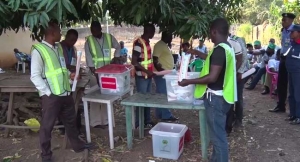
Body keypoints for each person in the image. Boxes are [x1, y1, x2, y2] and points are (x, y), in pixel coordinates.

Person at [30, 22, 92, 162]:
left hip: (65, 92)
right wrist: (48, 93)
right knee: (47, 127)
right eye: (59, 31)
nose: (61, 34)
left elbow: (61, 71)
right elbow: (35, 76)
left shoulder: (58, 48)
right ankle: (46, 155)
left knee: (71, 122)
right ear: (52, 33)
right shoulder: (38, 50)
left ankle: (77, 145)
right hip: (52, 97)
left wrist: (70, 78)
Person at [179, 18, 236, 162]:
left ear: (214, 31)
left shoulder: (219, 50)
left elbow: (212, 77)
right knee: (217, 135)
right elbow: (212, 59)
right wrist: (196, 52)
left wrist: (188, 81)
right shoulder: (227, 47)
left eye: (210, 33)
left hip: (215, 99)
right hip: (224, 97)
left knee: (218, 138)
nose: (209, 37)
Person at [85, 21, 121, 128]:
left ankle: (106, 120)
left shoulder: (109, 37)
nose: (93, 32)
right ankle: (95, 122)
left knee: (106, 97)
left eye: (95, 30)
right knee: (95, 98)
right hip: (94, 73)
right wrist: (95, 74)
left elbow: (118, 46)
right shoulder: (89, 41)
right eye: (92, 30)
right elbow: (88, 58)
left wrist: (116, 57)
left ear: (100, 29)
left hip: (107, 73)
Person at [269, 13, 296, 113]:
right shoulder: (284, 31)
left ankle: (294, 111)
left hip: (293, 60)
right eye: (282, 20)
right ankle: (281, 106)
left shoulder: (296, 31)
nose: (282, 22)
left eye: (284, 20)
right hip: (283, 59)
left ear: (290, 20)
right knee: (281, 83)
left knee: (293, 85)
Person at [131, 24, 156, 129]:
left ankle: (147, 121)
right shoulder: (139, 43)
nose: (154, 34)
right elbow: (134, 61)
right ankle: (138, 123)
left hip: (148, 76)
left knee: (147, 99)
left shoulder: (146, 43)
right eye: (153, 32)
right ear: (149, 31)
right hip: (142, 76)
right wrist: (147, 71)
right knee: (141, 100)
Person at [57, 29, 81, 135]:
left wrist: (76, 70)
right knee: (62, 104)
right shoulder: (58, 48)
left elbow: (74, 62)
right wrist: (70, 68)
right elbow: (59, 65)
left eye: (74, 40)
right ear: (66, 37)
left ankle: (74, 126)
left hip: (71, 79)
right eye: (71, 40)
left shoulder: (73, 49)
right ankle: (63, 127)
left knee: (72, 102)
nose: (73, 42)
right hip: (61, 80)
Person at [152, 31, 178, 121]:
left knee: (160, 94)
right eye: (170, 36)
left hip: (165, 73)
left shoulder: (163, 45)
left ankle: (159, 114)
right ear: (165, 36)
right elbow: (155, 59)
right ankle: (166, 115)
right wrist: (162, 71)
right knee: (164, 94)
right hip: (162, 74)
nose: (171, 38)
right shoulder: (159, 45)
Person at [226, 35, 248, 133]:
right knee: (229, 99)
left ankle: (238, 119)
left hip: (238, 74)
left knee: (238, 97)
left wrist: (240, 72)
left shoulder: (237, 40)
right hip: (229, 75)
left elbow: (243, 56)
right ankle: (230, 120)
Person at [284, 24, 300, 124]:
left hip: (298, 73)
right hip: (291, 71)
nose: (290, 33)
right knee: (291, 94)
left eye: (292, 32)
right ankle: (293, 114)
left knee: (298, 95)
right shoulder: (292, 43)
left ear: (298, 33)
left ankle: (298, 116)